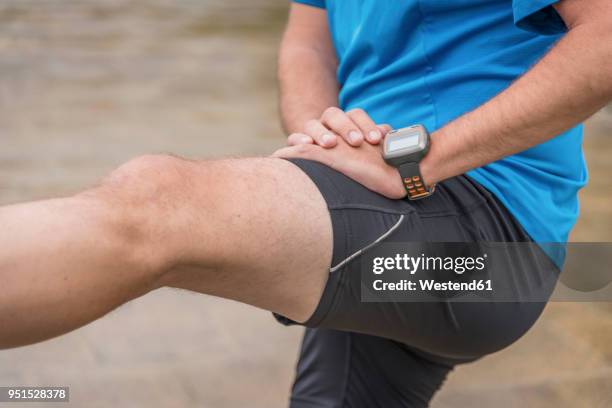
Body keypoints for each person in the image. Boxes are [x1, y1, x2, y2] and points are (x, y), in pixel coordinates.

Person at [0, 0, 610, 406]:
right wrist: (322, 134)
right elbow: (306, 45)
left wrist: (416, 159)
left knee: (159, 205)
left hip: (486, 253)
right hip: (385, 238)